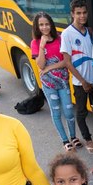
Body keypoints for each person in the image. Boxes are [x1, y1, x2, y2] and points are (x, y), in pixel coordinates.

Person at [31, 11, 80, 152]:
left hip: (63, 82)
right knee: (56, 111)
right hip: (48, 84)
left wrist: (49, 68)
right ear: (37, 26)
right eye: (41, 25)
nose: (44, 27)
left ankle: (73, 136)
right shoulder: (36, 43)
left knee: (69, 110)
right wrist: (42, 46)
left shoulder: (60, 39)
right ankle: (65, 140)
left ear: (51, 25)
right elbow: (40, 65)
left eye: (47, 24)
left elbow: (66, 61)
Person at [60, 0, 93, 154]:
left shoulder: (89, 31)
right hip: (80, 82)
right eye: (78, 13)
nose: (82, 16)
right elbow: (67, 62)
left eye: (84, 13)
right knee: (82, 112)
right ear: (72, 14)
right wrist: (83, 81)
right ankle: (88, 139)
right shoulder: (67, 34)